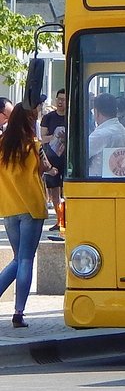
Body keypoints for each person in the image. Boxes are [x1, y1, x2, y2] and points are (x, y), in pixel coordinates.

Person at [0, 103, 49, 327]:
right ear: (29, 121)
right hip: (32, 207)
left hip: (9, 207)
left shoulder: (1, 145)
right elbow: (45, 166)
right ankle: (19, 312)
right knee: (26, 259)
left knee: (19, 258)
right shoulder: (34, 145)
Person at [40, 88, 67, 230]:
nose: (61, 102)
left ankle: (68, 219)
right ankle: (60, 220)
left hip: (68, 159)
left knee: (67, 190)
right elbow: (42, 138)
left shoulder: (71, 116)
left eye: (64, 99)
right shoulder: (48, 118)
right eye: (59, 99)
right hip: (52, 158)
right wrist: (55, 136)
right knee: (54, 191)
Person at [88, 93, 125, 176]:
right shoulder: (123, 130)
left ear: (96, 112)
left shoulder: (100, 135)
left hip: (97, 182)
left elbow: (80, 156)